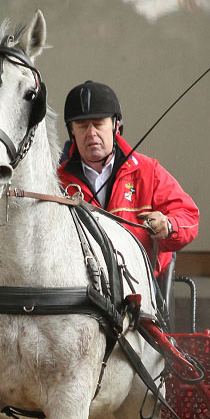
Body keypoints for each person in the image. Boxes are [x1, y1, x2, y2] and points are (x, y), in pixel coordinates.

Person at [57, 81, 199, 278]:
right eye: (82, 126)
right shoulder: (57, 180)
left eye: (98, 124)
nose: (91, 134)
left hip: (140, 286)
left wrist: (168, 225)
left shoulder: (148, 170)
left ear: (116, 126)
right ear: (72, 131)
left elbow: (189, 217)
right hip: (81, 285)